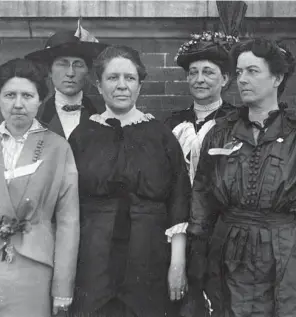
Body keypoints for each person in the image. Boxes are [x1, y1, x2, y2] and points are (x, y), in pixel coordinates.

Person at [186, 38, 296, 317]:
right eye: (239, 72)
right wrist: (197, 259)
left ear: (277, 77)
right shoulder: (219, 133)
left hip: (286, 253)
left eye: (252, 71)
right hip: (229, 253)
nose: (242, 79)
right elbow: (202, 199)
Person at [67, 45, 191, 317]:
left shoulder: (161, 136)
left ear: (139, 86)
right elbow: (66, 207)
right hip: (93, 259)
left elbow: (179, 200)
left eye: (130, 78)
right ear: (98, 86)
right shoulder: (82, 136)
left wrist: (177, 264)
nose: (121, 85)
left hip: (148, 257)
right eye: (112, 78)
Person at [0, 58, 80, 317]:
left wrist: (62, 287)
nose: (18, 104)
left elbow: (68, 223)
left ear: (39, 100)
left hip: (33, 267)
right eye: (9, 95)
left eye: (27, 95)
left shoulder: (58, 148)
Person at [165, 31, 237, 184]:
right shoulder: (173, 124)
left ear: (224, 79)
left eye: (208, 73)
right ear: (187, 78)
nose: (199, 80)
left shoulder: (236, 122)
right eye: (193, 73)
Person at [25, 25, 107, 139]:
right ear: (49, 71)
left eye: (78, 65)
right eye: (62, 64)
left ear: (87, 71)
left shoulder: (104, 114)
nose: (70, 73)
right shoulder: (34, 117)